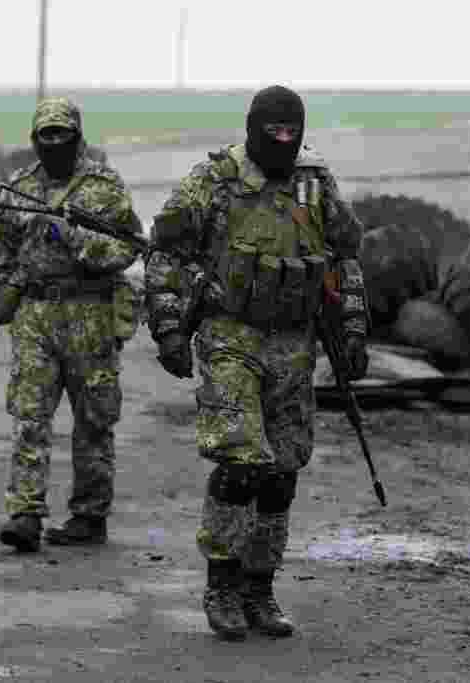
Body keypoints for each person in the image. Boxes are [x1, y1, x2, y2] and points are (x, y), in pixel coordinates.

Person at [143, 85, 370, 640]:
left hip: (294, 343)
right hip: (230, 335)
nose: (283, 142)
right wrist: (169, 328)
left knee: (281, 472)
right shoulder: (215, 181)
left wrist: (355, 327)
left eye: (292, 132)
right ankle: (221, 581)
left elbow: (345, 257)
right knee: (241, 460)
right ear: (253, 129)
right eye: (274, 132)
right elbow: (165, 253)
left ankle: (259, 586)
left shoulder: (315, 184)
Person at [0, 96, 144, 553]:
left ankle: (90, 515)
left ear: (77, 136)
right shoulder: (17, 188)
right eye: (45, 136)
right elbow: (1, 259)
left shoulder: (104, 186)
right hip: (34, 313)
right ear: (34, 139)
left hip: (90, 312)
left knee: (93, 420)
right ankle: (25, 513)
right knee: (29, 416)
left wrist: (70, 236)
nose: (53, 144)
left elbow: (126, 249)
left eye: (62, 136)